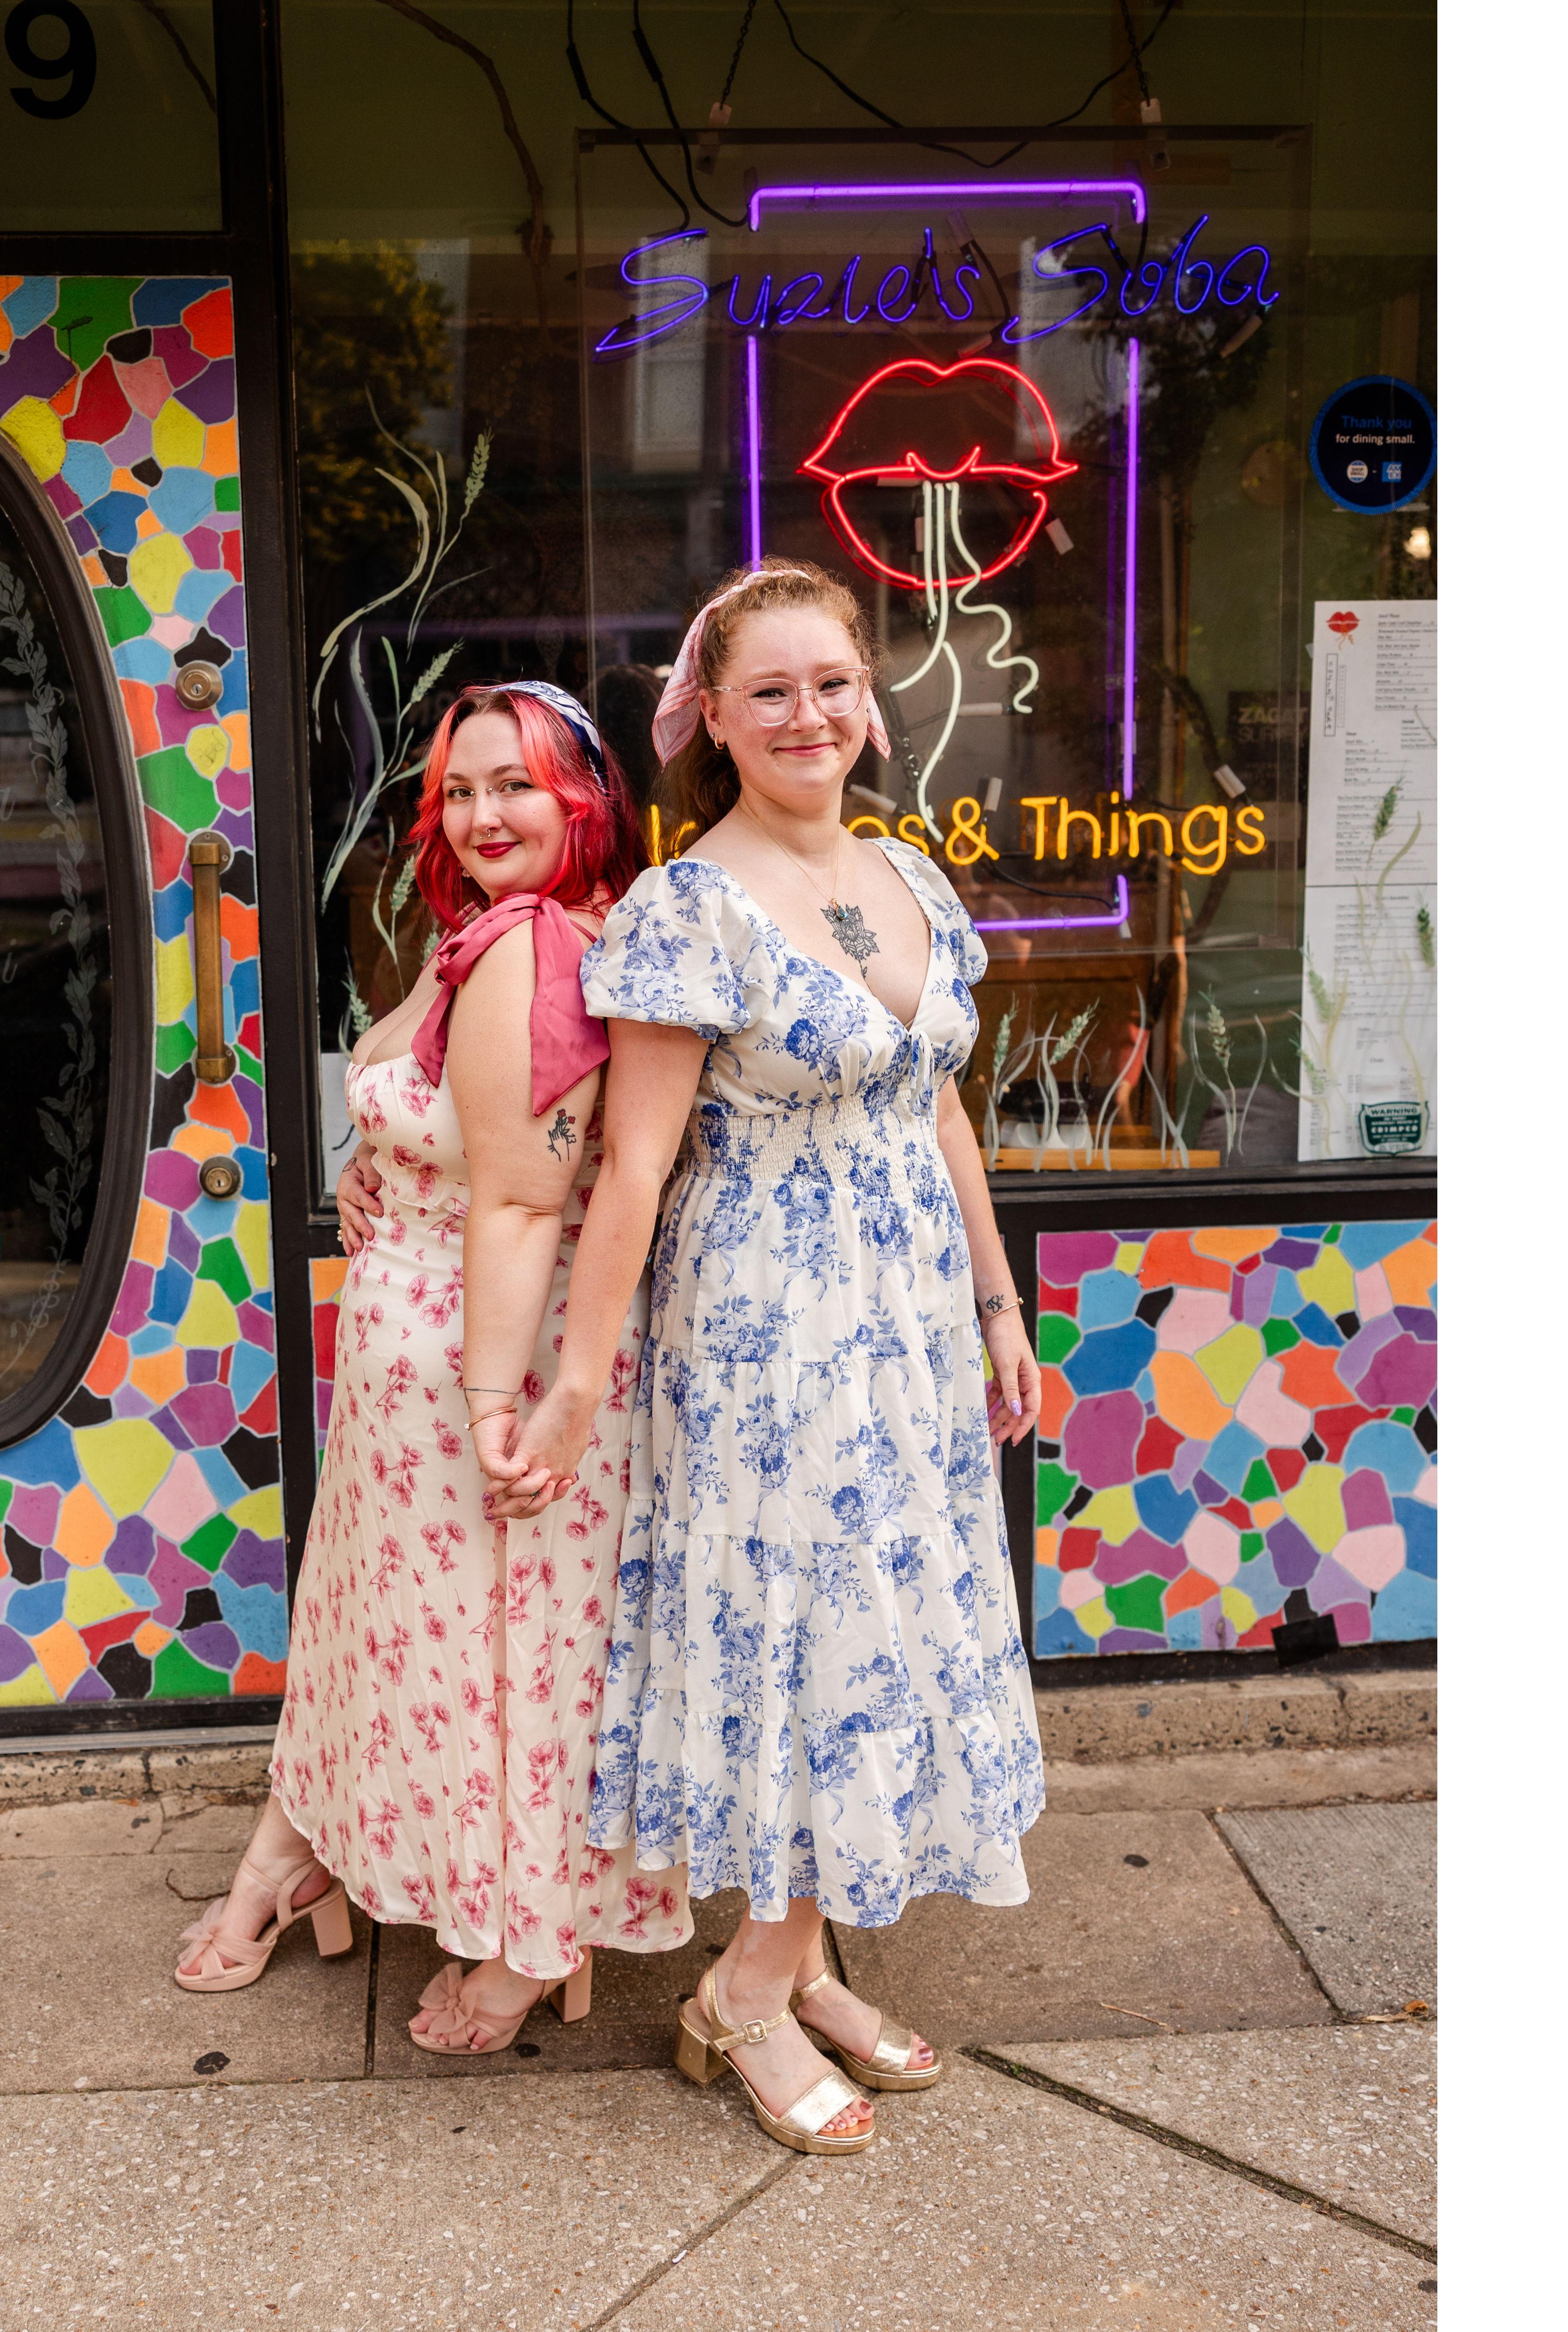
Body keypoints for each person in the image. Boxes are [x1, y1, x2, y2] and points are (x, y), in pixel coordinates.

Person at [483, 558, 1046, 2157]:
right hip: (766, 1329)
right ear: (713, 718)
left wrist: (999, 1305)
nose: (810, 715)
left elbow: (940, 1107)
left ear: (873, 701)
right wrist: (576, 1380)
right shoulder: (689, 906)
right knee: (808, 1641)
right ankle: (744, 1993)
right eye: (772, 691)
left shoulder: (913, 879)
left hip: (909, 1323)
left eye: (835, 683)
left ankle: (796, 1968)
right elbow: (637, 1168)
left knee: (885, 1628)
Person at [172, 678, 691, 2050]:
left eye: (515, 783)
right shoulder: (485, 933)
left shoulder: (539, 942)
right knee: (388, 1640)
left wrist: (493, 1400)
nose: (481, 814)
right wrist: (373, 1166)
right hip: (407, 1362)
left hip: (483, 1358)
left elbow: (524, 1196)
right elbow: (438, 1112)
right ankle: (301, 1854)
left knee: (511, 1658)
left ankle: (521, 1939)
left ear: (583, 795)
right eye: (460, 790)